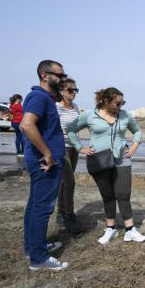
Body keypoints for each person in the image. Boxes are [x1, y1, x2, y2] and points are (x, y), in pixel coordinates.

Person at [68, 87, 145, 245]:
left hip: (122, 159)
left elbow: (137, 131)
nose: (120, 106)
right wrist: (80, 147)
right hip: (100, 160)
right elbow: (71, 129)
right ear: (105, 101)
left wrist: (134, 145)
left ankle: (130, 230)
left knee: (123, 194)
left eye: (122, 102)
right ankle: (111, 228)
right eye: (117, 103)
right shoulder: (90, 114)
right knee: (107, 195)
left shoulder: (124, 115)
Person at [20, 60, 69, 271]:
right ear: (44, 75)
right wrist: (48, 154)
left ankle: (33, 247)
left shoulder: (45, 98)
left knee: (34, 205)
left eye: (63, 75)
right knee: (42, 208)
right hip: (45, 162)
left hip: (41, 160)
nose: (62, 79)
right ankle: (39, 258)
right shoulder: (39, 97)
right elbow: (26, 125)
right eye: (59, 75)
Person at [55, 78, 82, 234]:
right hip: (61, 148)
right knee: (70, 182)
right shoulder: (56, 107)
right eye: (70, 90)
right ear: (62, 91)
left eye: (75, 90)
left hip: (74, 147)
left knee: (64, 183)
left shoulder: (76, 107)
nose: (73, 93)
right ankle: (69, 214)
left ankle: (60, 212)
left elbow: (77, 127)